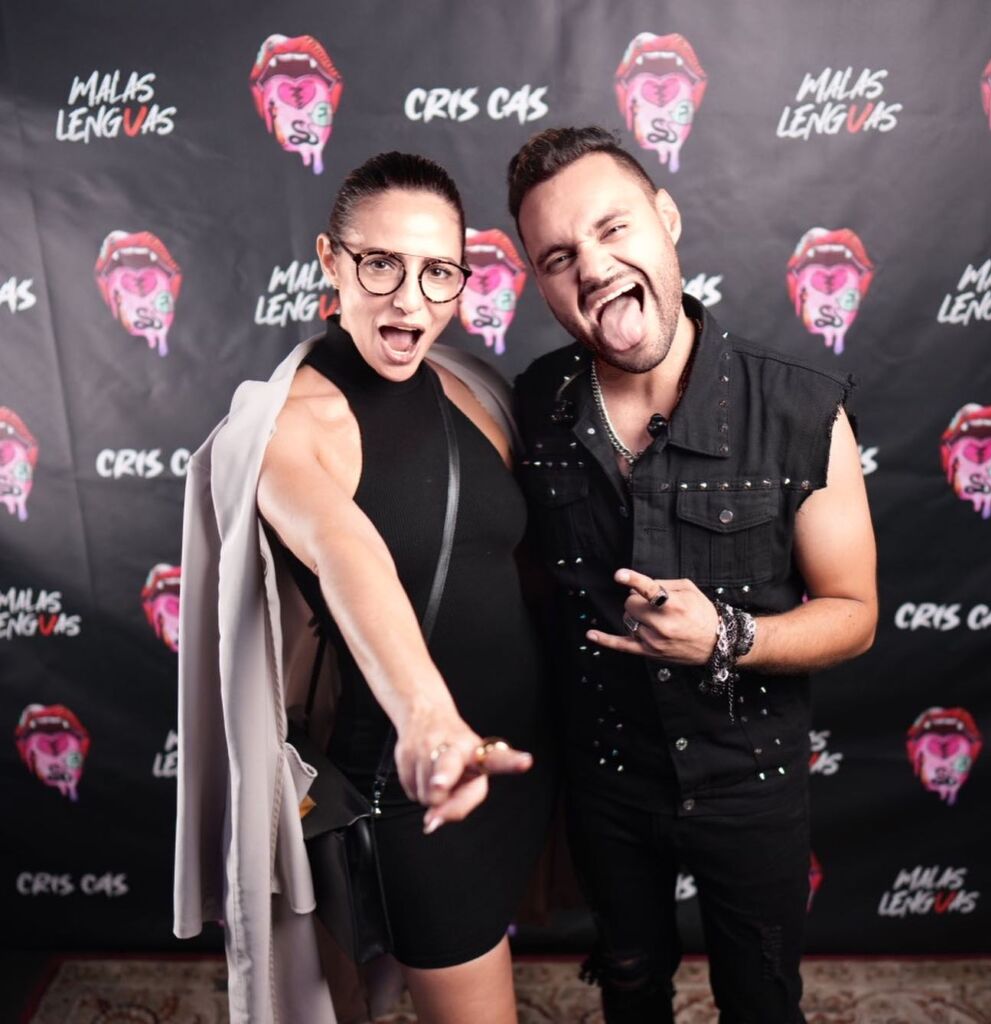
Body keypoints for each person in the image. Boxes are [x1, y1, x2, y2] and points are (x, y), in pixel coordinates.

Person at [508, 126, 877, 1023]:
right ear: (539, 282)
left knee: (760, 998)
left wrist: (729, 636)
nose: (594, 267)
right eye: (559, 257)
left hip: (751, 781)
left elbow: (855, 612)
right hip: (604, 781)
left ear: (666, 219)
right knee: (631, 983)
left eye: (614, 228)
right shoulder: (533, 404)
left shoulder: (798, 407)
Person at [175, 152, 552, 1024]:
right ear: (331, 261)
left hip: (510, 769)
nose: (410, 301)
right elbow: (348, 552)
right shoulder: (285, 431)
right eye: (381, 264)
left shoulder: (470, 388)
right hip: (418, 789)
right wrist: (428, 718)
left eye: (438, 272)